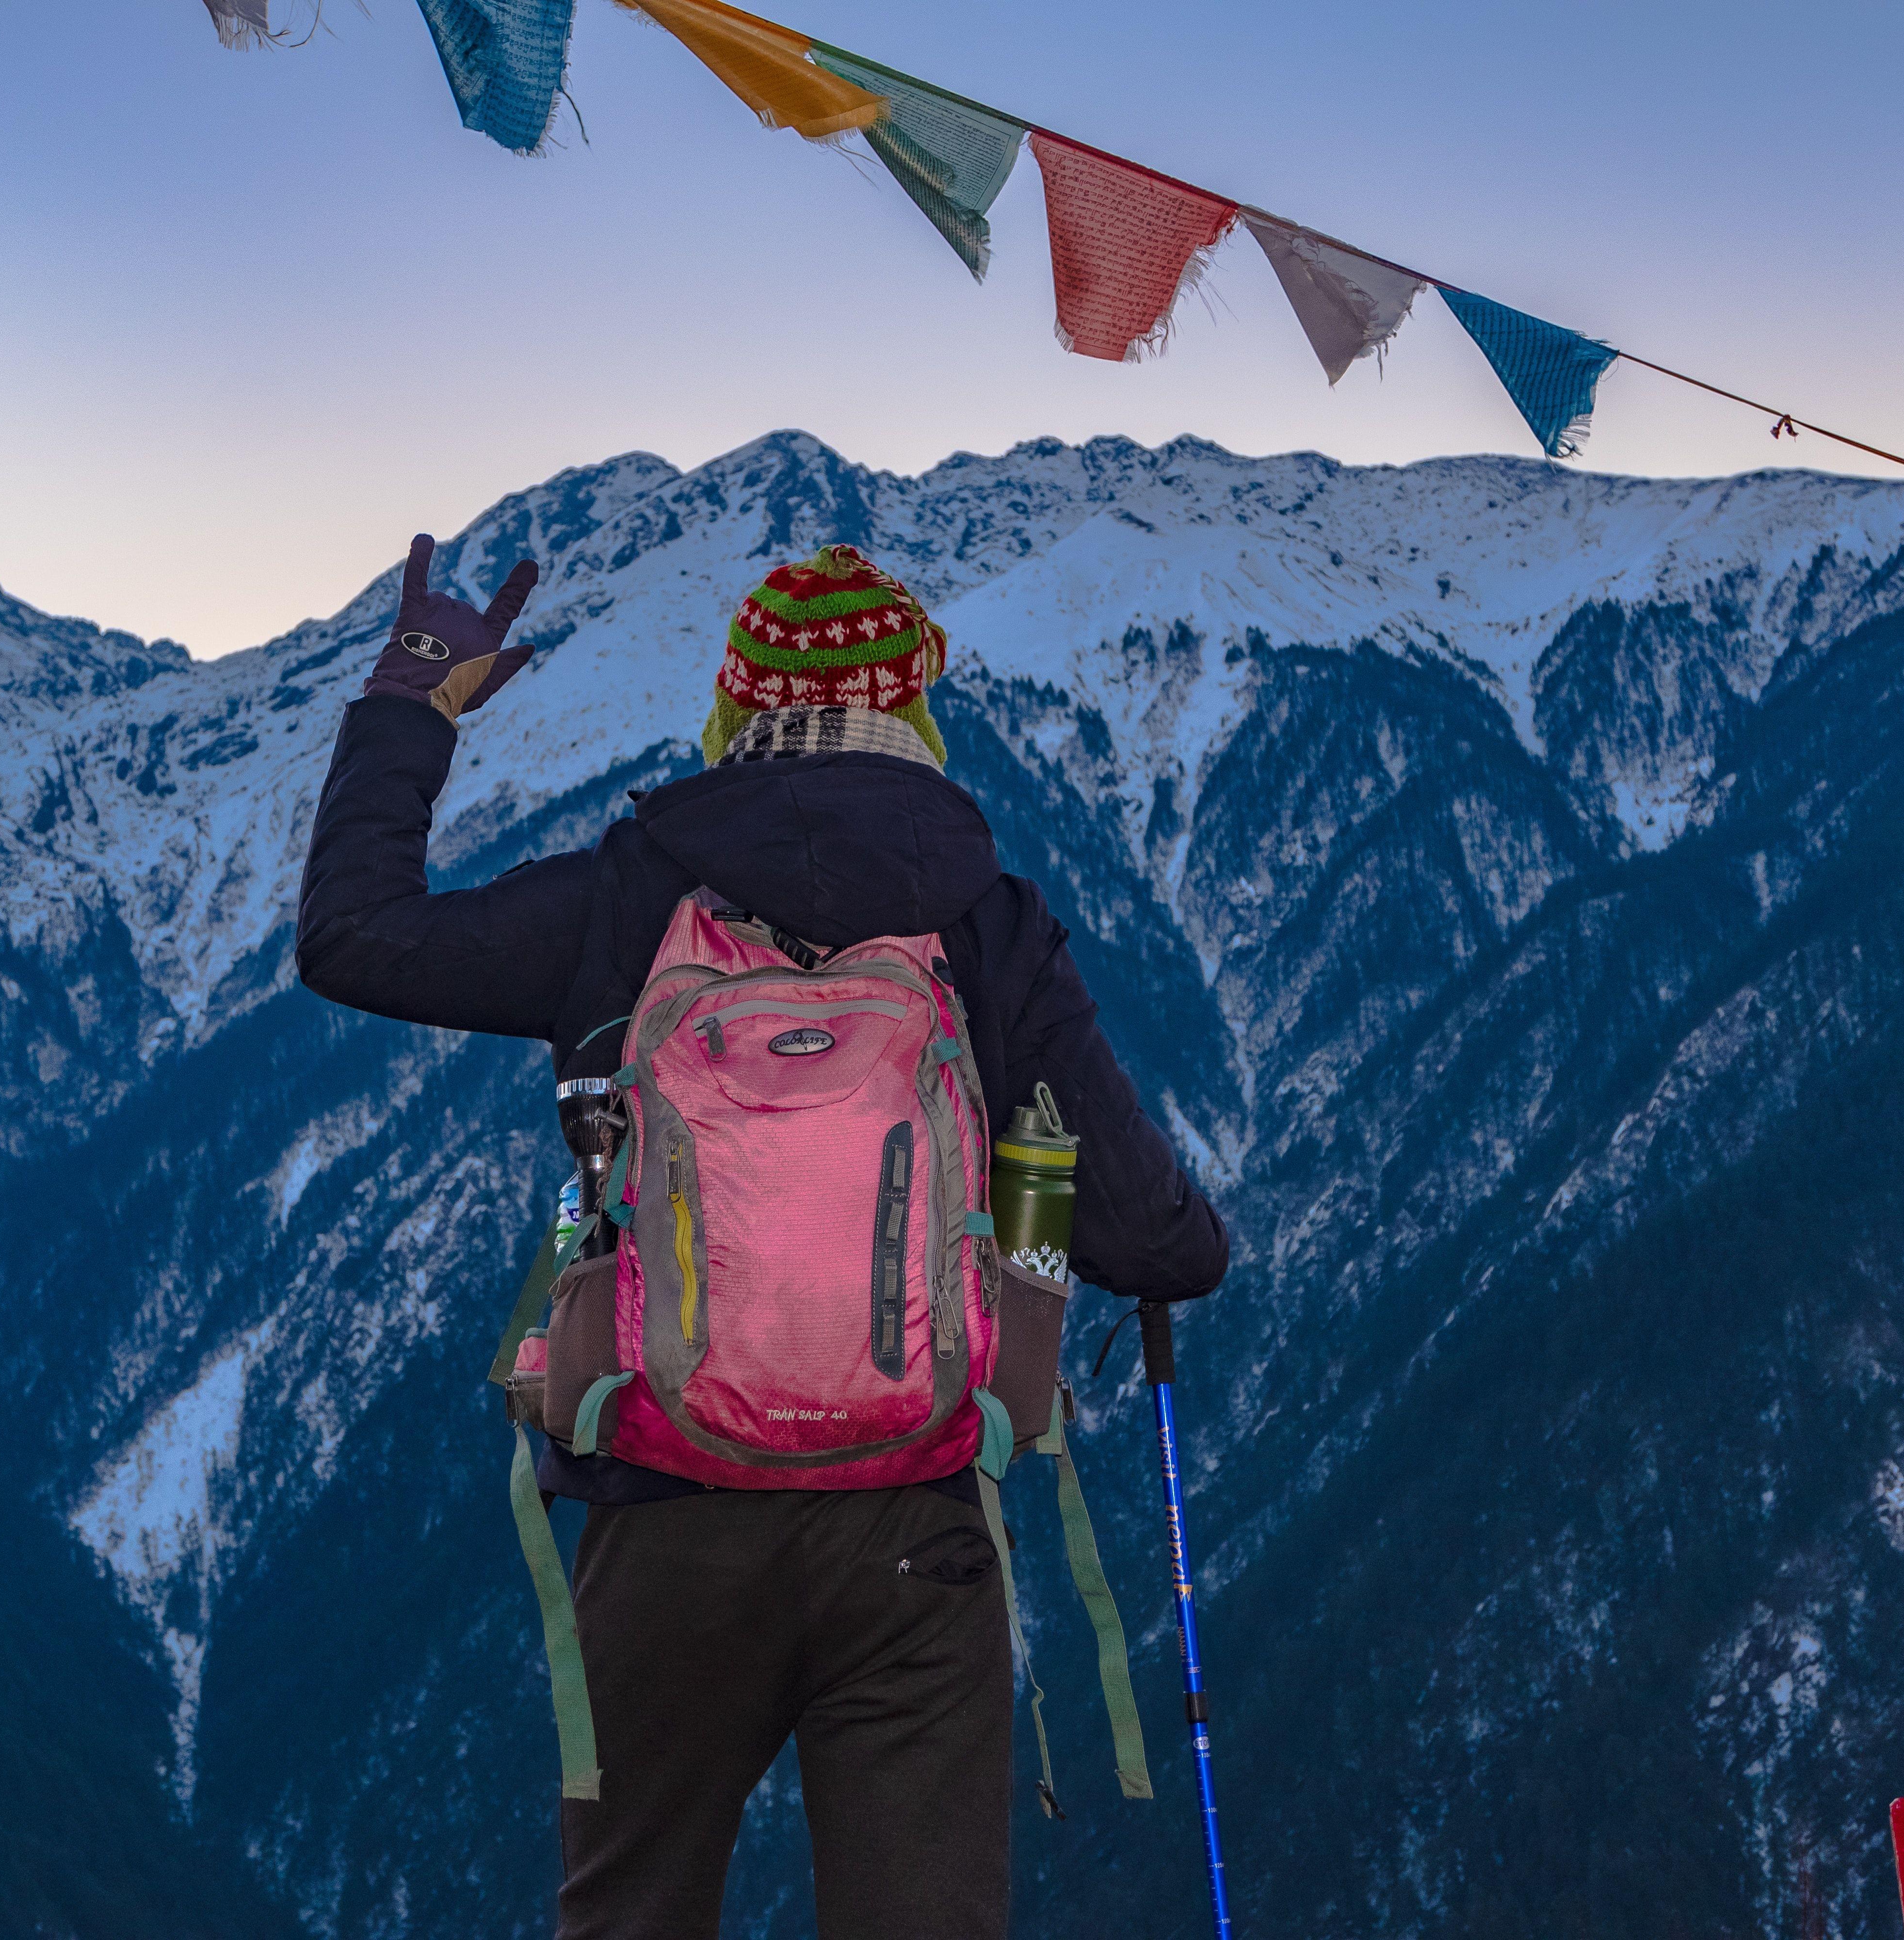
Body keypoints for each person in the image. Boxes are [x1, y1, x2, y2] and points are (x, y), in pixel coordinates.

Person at [295, 531, 1227, 1940]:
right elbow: (1153, 1236)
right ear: (912, 713)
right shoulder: (986, 924)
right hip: (916, 1537)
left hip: (663, 1516)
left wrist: (413, 697)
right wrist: (1164, 1242)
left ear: (737, 708)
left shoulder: (629, 900)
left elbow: (352, 936)